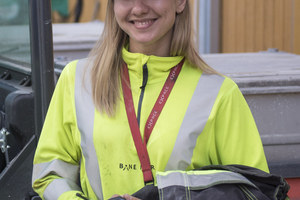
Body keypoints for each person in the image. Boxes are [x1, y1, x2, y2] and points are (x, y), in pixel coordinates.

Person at [32, 0, 269, 199]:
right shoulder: (77, 79)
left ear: (180, 2)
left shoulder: (220, 94)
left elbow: (254, 191)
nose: (138, 8)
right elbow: (49, 174)